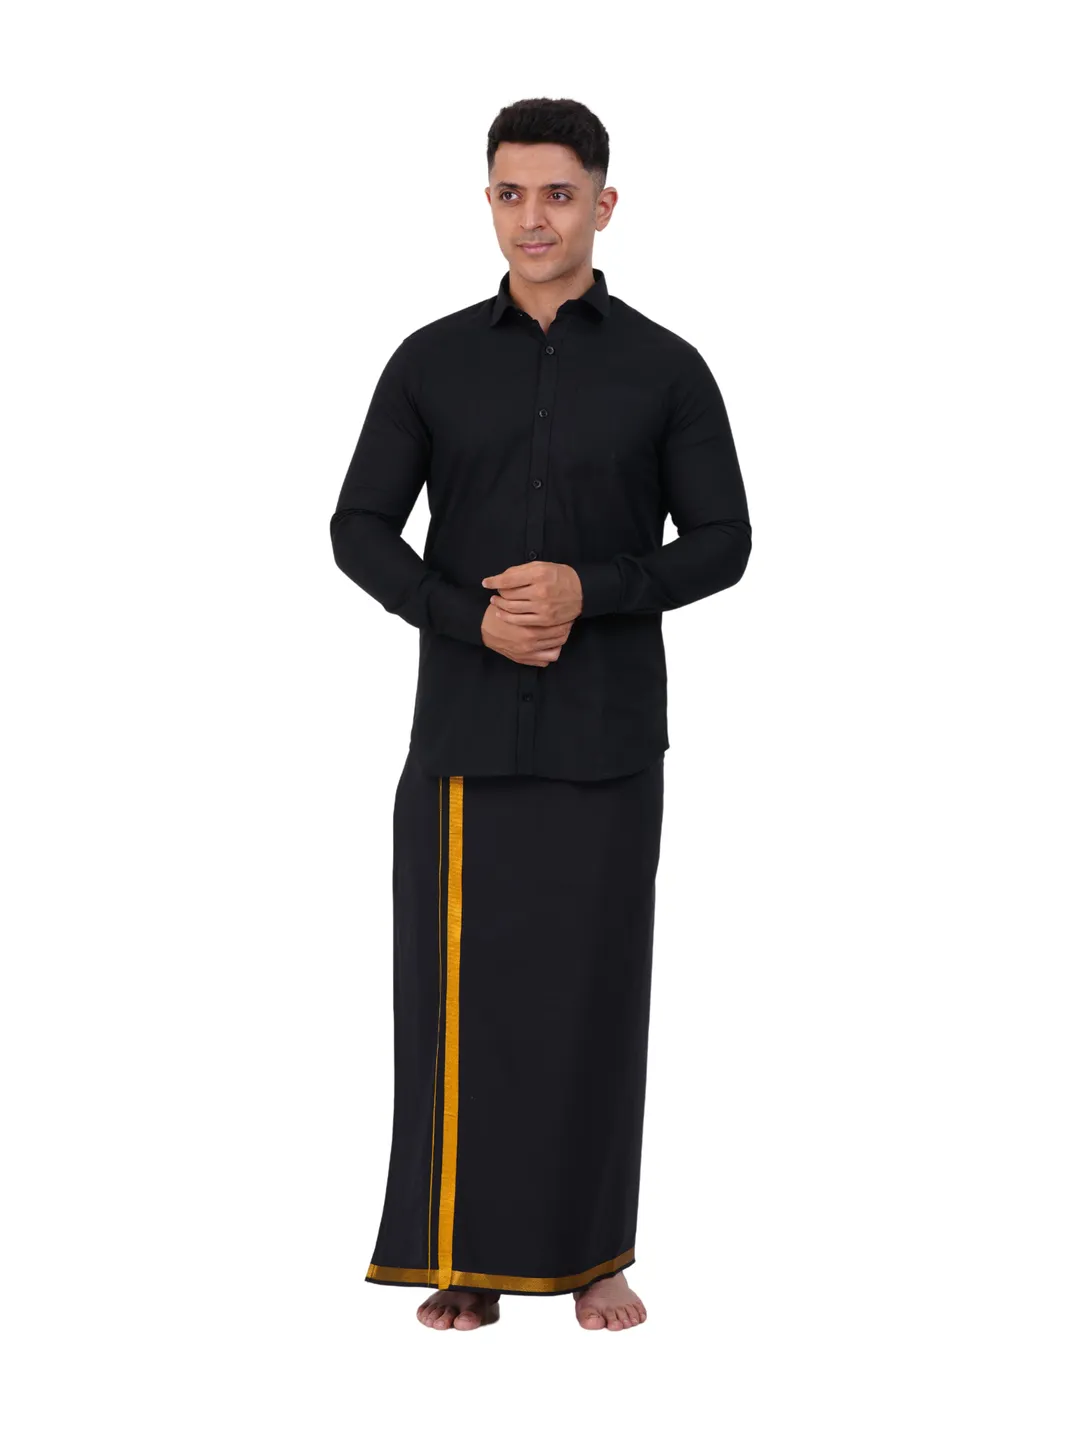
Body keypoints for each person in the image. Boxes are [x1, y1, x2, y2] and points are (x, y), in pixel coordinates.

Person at [330, 96, 751, 1332]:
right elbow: (358, 528)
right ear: (488, 202)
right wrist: (468, 617)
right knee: (458, 1009)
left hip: (607, 739)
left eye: (558, 194)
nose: (533, 218)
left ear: (603, 205)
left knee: (592, 1004)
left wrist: (591, 589)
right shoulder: (429, 362)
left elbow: (724, 541)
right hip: (463, 738)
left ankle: (593, 1256)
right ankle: (464, 1256)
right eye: (511, 193)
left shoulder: (667, 368)